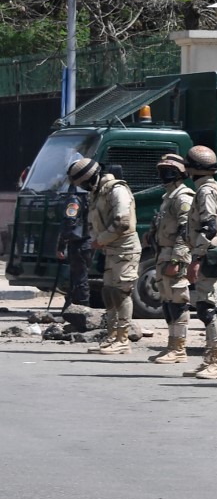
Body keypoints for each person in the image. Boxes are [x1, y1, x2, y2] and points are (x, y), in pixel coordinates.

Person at [67, 158, 141, 355]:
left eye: (84, 183)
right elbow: (94, 222)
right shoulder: (97, 193)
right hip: (109, 249)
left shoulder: (117, 190)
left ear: (92, 177)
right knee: (108, 292)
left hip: (125, 248)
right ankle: (112, 336)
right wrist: (97, 241)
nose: (83, 187)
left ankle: (123, 339)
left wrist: (100, 240)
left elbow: (122, 222)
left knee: (121, 293)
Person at [184, 146, 217, 380]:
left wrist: (196, 258)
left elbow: (209, 228)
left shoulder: (206, 192)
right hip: (209, 253)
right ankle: (210, 359)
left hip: (208, 255)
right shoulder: (210, 189)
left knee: (209, 308)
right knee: (205, 305)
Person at [148, 154, 195, 365]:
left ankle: (179, 348)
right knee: (168, 302)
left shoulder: (183, 198)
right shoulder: (168, 197)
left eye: (168, 171)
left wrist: (177, 260)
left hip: (174, 256)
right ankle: (171, 345)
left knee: (178, 302)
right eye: (161, 171)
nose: (163, 175)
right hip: (163, 253)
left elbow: (185, 231)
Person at [56, 183, 93, 309]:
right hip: (87, 243)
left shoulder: (74, 199)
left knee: (80, 280)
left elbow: (69, 222)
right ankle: (72, 309)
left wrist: (61, 246)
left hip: (79, 244)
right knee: (78, 279)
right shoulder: (89, 198)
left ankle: (83, 310)